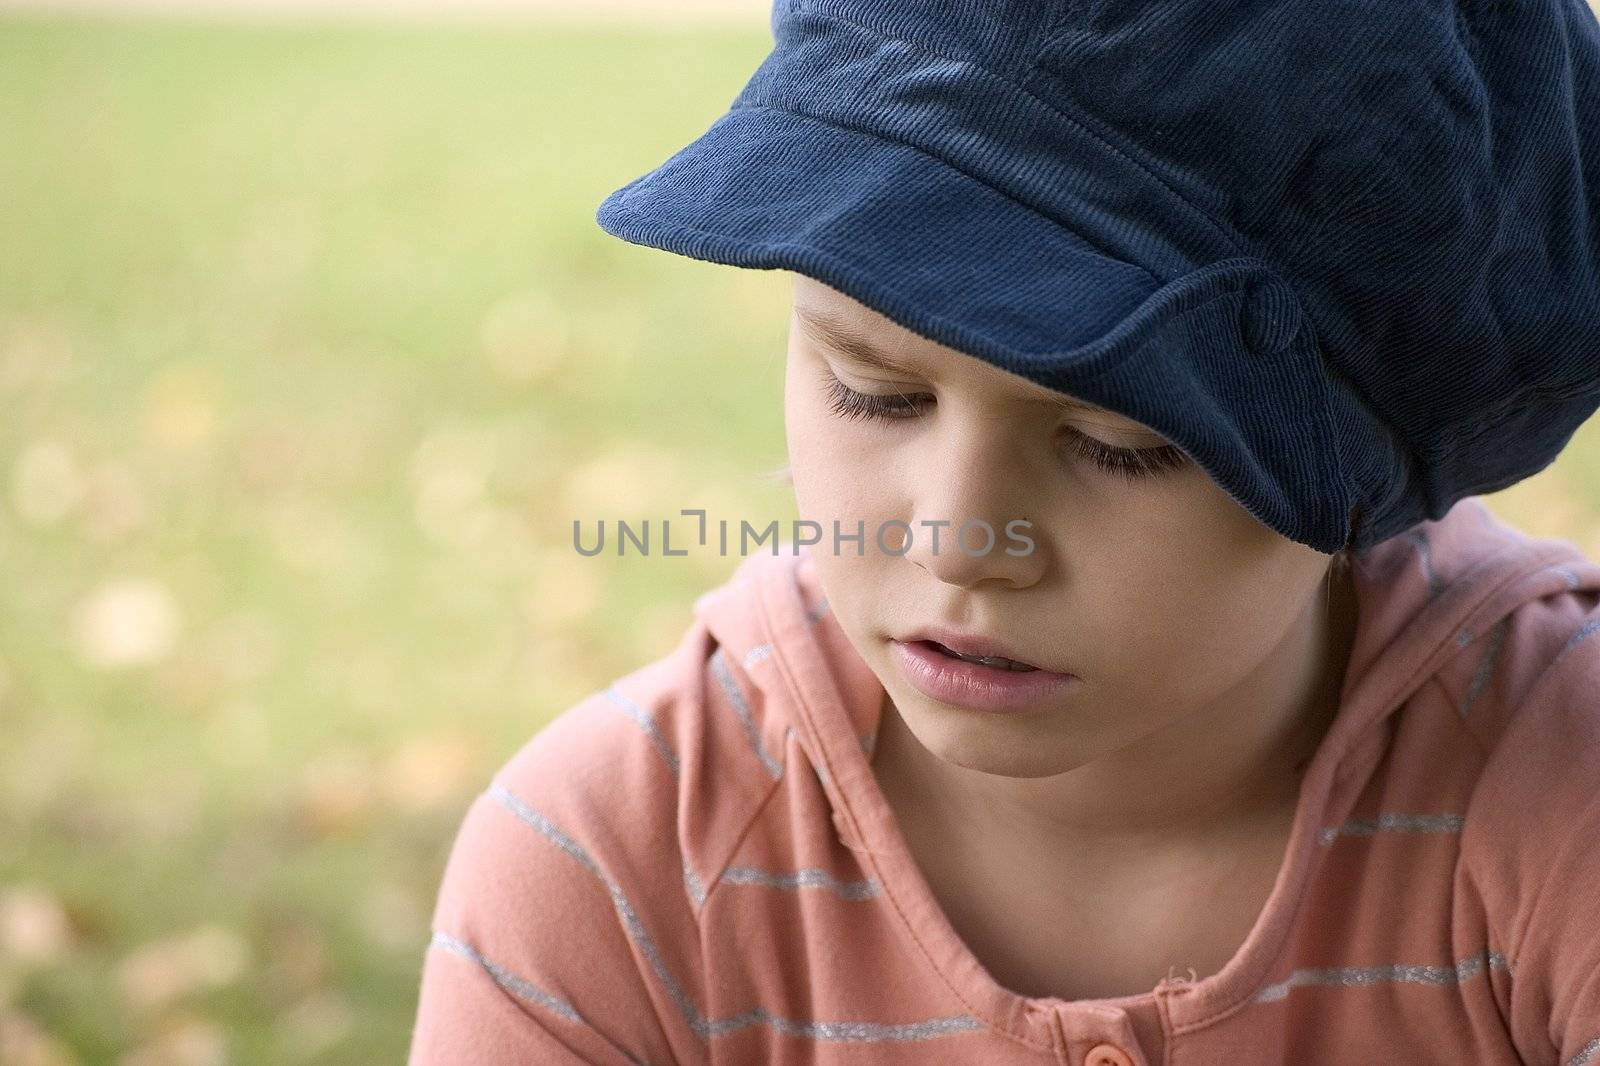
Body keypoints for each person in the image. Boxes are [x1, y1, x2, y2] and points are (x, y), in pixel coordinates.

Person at [408, 1, 1600, 1063]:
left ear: (1368, 459)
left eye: (1118, 442)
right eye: (873, 388)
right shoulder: (620, 866)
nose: (959, 539)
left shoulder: (1556, 799)